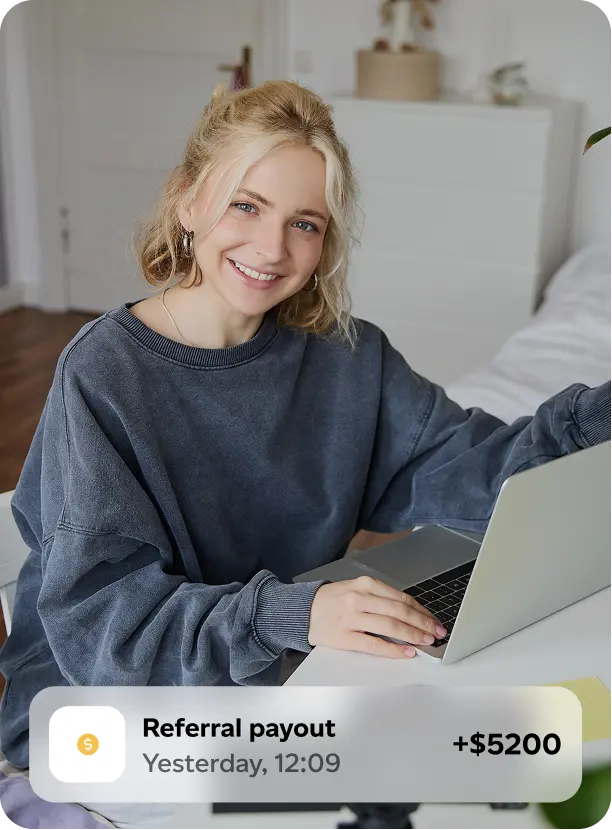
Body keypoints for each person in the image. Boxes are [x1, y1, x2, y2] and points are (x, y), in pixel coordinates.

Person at [0, 80, 610, 829]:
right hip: (95, 716)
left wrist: (597, 417)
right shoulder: (103, 374)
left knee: (523, 740)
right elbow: (105, 632)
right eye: (246, 205)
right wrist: (294, 612)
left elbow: (477, 470)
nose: (271, 248)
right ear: (187, 200)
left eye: (305, 223)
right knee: (463, 757)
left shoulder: (346, 359)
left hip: (269, 674)